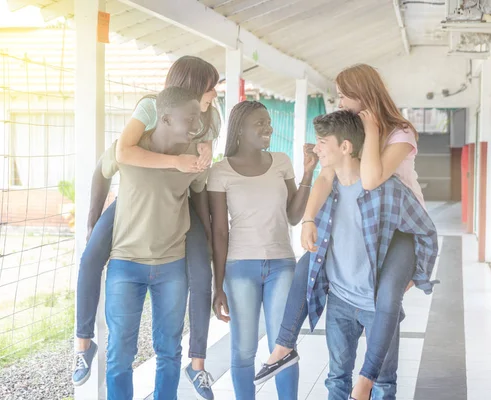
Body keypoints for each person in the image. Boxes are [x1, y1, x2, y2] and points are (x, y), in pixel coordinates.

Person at [256, 63, 430, 399]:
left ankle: (366, 382)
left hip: (401, 230)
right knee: (308, 262)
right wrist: (308, 220)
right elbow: (327, 175)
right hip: (364, 224)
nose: (338, 101)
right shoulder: (352, 130)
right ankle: (283, 347)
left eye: (342, 95)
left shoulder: (400, 132)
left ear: (362, 94)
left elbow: (371, 179)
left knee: (386, 299)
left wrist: (374, 129)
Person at [73, 56, 219, 400]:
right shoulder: (151, 107)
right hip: (134, 214)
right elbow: (122, 152)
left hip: (179, 212)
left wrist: (203, 157)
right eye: (210, 85)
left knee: (202, 267)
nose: (214, 92)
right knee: (92, 253)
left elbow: (200, 181)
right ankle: (82, 343)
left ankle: (197, 364)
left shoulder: (207, 118)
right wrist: (93, 221)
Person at [103, 86, 208, 399]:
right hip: (125, 264)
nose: (195, 124)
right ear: (164, 118)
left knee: (169, 349)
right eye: (189, 118)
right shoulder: (128, 148)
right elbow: (102, 172)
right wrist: (93, 226)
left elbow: (201, 198)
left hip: (172, 266)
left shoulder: (194, 157)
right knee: (120, 352)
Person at [208, 101, 317, 400]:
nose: (268, 127)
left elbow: (294, 215)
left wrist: (309, 172)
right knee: (243, 348)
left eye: (268, 122)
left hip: (282, 264)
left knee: (283, 346)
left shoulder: (281, 162)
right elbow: (219, 231)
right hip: (239, 267)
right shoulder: (220, 171)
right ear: (240, 129)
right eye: (260, 122)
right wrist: (218, 286)